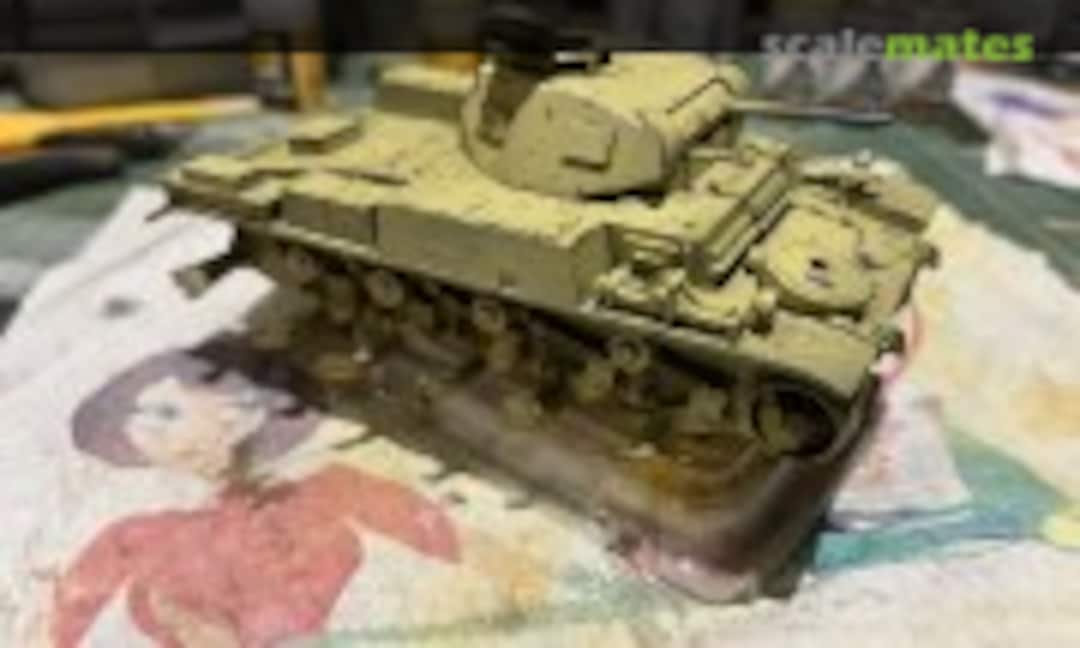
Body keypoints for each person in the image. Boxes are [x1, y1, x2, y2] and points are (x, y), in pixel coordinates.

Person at [52, 338, 459, 647]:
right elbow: (68, 613)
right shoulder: (140, 534)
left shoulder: (329, 491)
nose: (144, 429)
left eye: (166, 411)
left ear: (242, 415)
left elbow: (454, 547)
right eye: (132, 419)